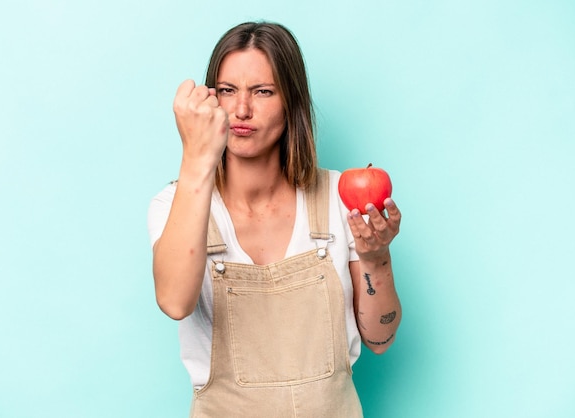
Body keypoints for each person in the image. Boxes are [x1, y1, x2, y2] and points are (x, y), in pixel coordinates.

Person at [147, 21, 402, 417]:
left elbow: (381, 337)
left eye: (262, 91)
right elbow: (175, 302)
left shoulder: (338, 197)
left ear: (291, 102)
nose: (241, 110)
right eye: (228, 91)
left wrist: (376, 258)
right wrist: (197, 157)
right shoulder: (175, 204)